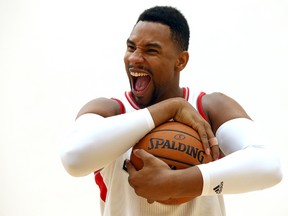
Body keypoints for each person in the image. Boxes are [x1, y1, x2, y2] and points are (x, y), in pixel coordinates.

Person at [60, 5, 282, 216]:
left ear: (181, 61)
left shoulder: (210, 107)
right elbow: (73, 159)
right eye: (131, 47)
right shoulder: (109, 111)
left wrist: (175, 183)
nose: (135, 58)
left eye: (151, 50)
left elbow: (269, 167)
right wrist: (171, 108)